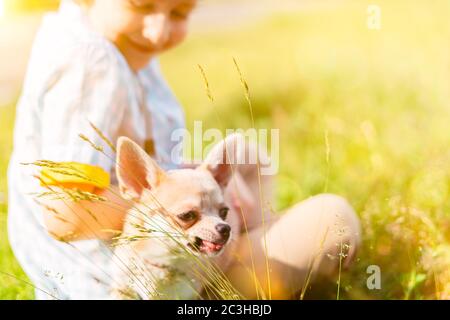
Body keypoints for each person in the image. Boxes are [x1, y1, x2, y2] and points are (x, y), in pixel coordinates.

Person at [7, 0, 361, 299]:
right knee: (333, 220)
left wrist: (196, 184)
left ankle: (249, 230)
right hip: (151, 278)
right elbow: (65, 213)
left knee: (249, 159)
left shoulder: (109, 46)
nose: (159, 31)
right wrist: (180, 208)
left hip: (177, 252)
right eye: (141, 4)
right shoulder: (92, 61)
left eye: (179, 13)